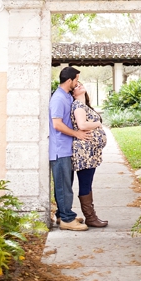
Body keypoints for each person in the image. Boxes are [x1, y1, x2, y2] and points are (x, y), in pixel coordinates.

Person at [49, 66, 92, 231]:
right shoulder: (58, 99)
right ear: (69, 80)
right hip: (60, 149)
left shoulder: (66, 96)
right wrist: (77, 134)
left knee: (66, 184)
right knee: (63, 186)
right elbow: (57, 124)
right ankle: (67, 219)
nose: (77, 82)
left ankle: (62, 214)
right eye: (76, 80)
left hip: (67, 149)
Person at [71, 83, 109, 227]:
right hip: (85, 152)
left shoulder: (83, 105)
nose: (79, 86)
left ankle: (91, 216)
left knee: (87, 183)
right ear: (73, 93)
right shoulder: (79, 106)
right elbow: (82, 125)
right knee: (85, 183)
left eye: (80, 84)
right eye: (76, 86)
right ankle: (91, 218)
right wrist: (98, 123)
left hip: (89, 151)